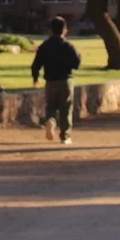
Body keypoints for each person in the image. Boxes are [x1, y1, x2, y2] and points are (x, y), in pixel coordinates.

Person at [31, 15, 82, 145]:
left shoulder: (45, 46)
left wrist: (35, 77)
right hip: (66, 79)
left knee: (51, 106)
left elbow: (36, 64)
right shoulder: (68, 46)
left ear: (50, 30)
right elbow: (76, 63)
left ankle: (51, 120)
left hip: (50, 80)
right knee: (66, 108)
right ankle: (65, 136)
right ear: (65, 30)